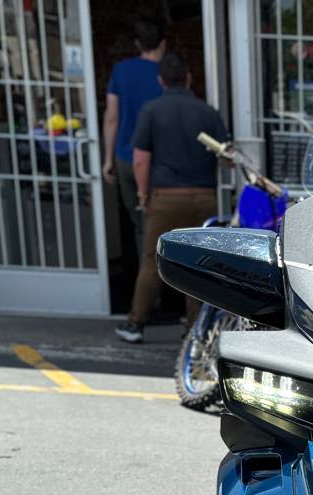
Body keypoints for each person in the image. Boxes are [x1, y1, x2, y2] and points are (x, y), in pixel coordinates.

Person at [116, 50, 228, 344]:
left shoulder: (151, 111)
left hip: (165, 199)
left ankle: (135, 324)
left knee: (152, 260)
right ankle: (195, 331)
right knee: (198, 264)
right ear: (189, 78)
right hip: (204, 199)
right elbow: (227, 156)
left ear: (161, 80)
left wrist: (143, 194)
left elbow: (141, 159)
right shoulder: (207, 112)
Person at [100, 19, 166, 268]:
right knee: (161, 224)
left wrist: (108, 158)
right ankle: (163, 284)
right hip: (157, 162)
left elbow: (112, 116)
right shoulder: (165, 74)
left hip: (125, 159)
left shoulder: (120, 70)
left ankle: (147, 284)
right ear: (164, 43)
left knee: (141, 225)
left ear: (138, 43)